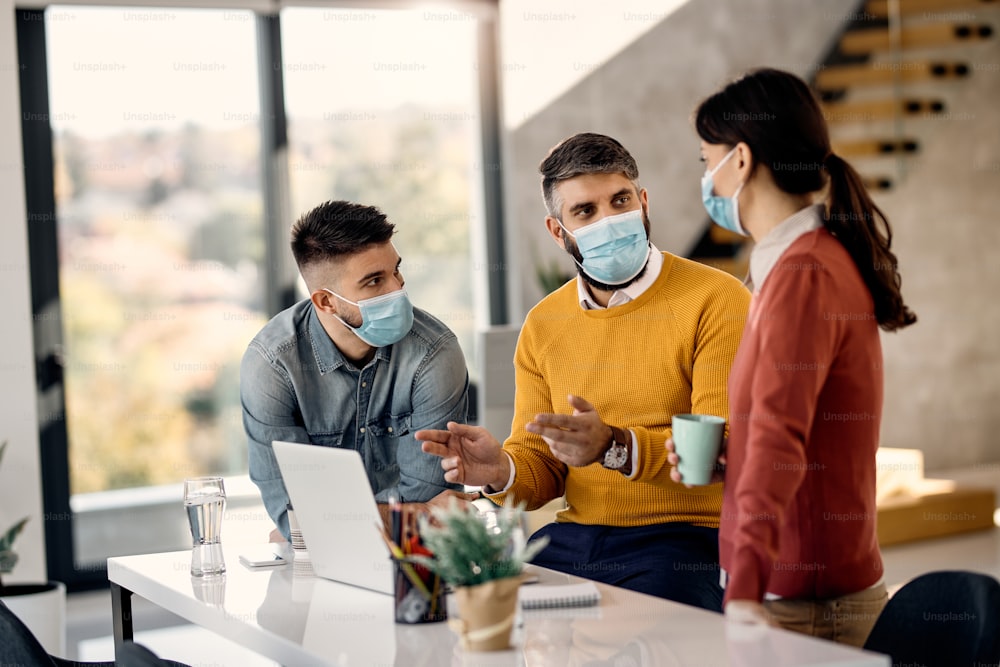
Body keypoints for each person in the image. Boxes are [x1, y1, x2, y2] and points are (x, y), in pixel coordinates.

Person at [417, 132, 751, 611]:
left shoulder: (716, 300)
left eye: (620, 201)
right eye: (585, 212)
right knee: (476, 606)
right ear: (559, 231)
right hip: (576, 538)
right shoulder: (543, 324)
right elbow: (541, 469)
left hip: (687, 540)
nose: (609, 220)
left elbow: (719, 452)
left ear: (643, 202)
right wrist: (500, 470)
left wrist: (614, 447)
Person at [669, 67, 917, 645]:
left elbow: (780, 438)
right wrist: (733, 457)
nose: (705, 176)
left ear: (741, 160)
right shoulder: (799, 262)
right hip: (797, 585)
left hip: (800, 599)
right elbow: (788, 430)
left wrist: (747, 589)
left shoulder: (803, 273)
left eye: (706, 159)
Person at [241, 200, 478, 541]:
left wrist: (324, 522)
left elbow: (433, 500)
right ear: (326, 301)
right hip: (319, 571)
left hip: (416, 566)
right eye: (373, 282)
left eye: (396, 270)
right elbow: (293, 519)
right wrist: (418, 516)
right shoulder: (272, 365)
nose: (397, 288)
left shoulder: (434, 353)